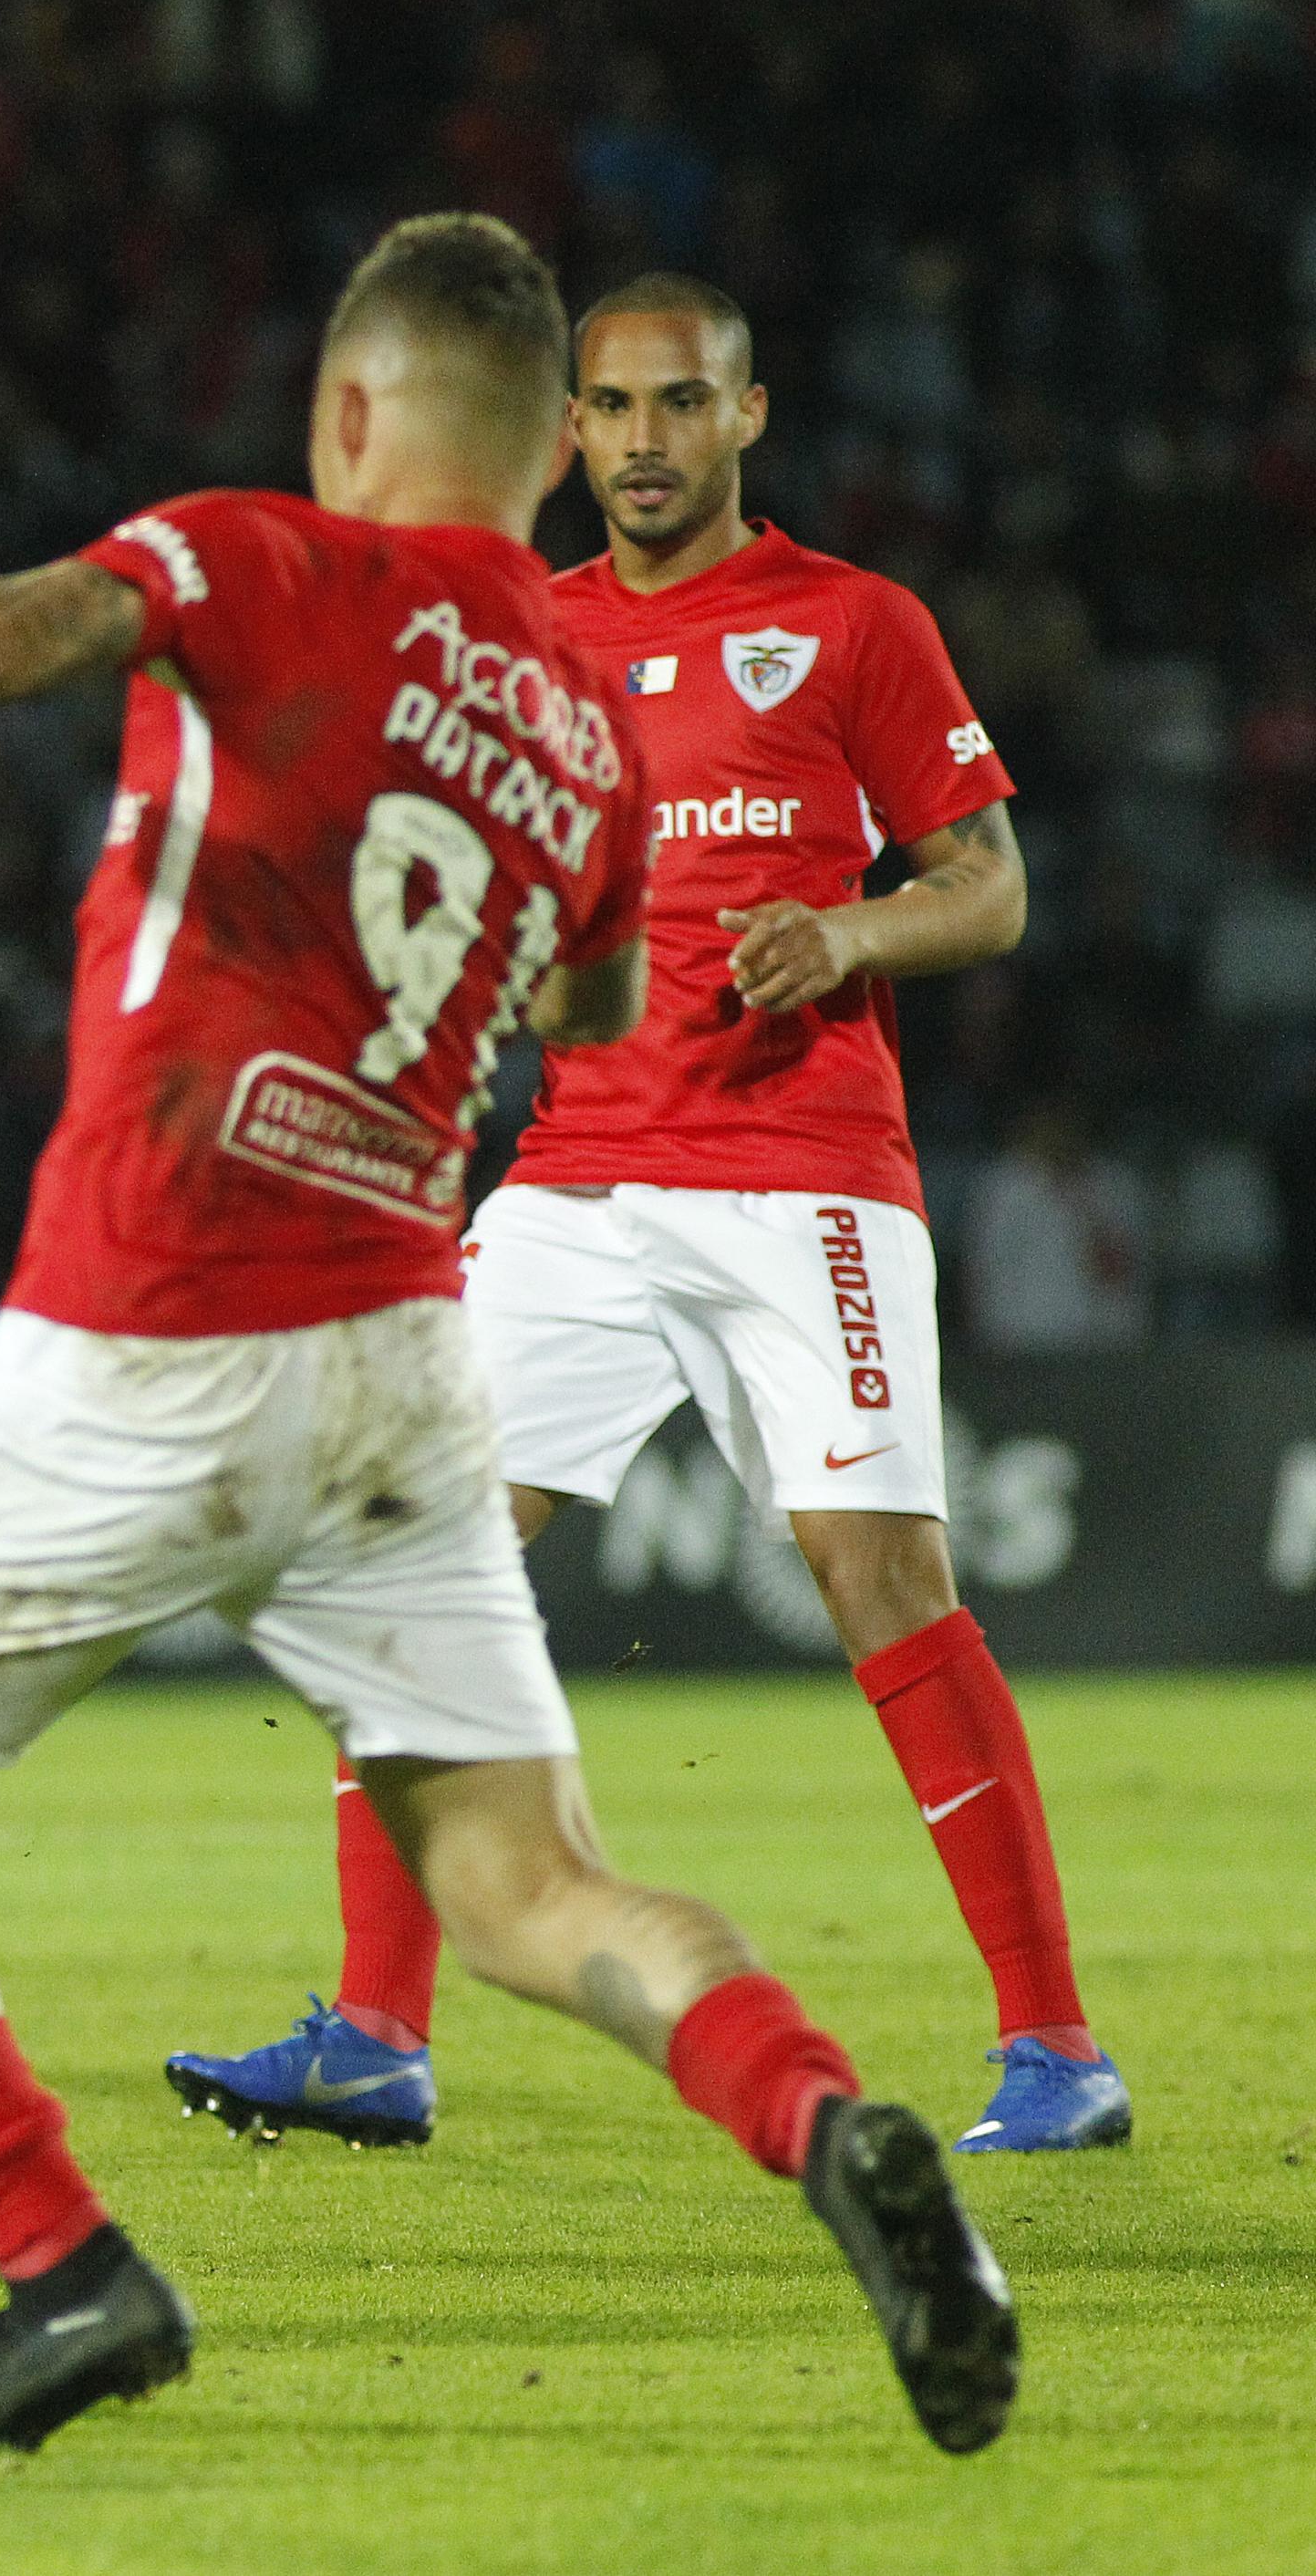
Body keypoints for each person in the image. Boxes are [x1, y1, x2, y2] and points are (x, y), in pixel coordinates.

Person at [0, 213, 1018, 2461]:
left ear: (351, 413)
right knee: (523, 1879)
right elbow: (570, 1004)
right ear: (543, 458)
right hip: (398, 1358)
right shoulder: (581, 724)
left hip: (156, 1324)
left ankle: (64, 2264)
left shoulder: (255, 555)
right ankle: (824, 2114)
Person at [161, 275, 1124, 2161]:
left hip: (805, 1179)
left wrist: (847, 926)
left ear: (747, 413)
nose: (643, 441)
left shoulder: (852, 625)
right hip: (576, 1181)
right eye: (607, 407)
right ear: (567, 426)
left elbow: (990, 886)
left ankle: (1055, 2047)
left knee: (879, 1582)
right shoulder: (523, 635)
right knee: (397, 1551)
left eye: (679, 403)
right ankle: (372, 2027)